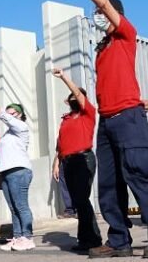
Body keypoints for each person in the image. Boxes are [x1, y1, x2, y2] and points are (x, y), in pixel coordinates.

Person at [58, 0, 148, 259]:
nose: (97, 16)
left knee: (140, 175)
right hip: (107, 123)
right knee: (109, 184)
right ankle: (119, 240)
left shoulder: (126, 35)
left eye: (100, 13)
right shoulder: (102, 49)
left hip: (129, 118)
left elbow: (104, 4)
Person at [51, 68, 103, 253]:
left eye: (76, 96)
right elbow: (61, 144)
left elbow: (78, 94)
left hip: (83, 158)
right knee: (78, 201)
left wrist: (64, 76)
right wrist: (57, 163)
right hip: (67, 161)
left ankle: (93, 239)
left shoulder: (87, 112)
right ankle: (85, 239)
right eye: (71, 97)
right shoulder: (65, 119)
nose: (73, 98)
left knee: (81, 199)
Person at [0, 98, 36, 251]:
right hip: (7, 173)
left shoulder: (21, 127)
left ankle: (28, 237)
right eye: (9, 113)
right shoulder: (8, 135)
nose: (10, 115)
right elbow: (4, 156)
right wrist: (1, 176)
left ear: (20, 115)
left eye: (13, 113)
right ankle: (17, 237)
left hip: (19, 171)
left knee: (21, 205)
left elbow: (4, 116)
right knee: (13, 207)